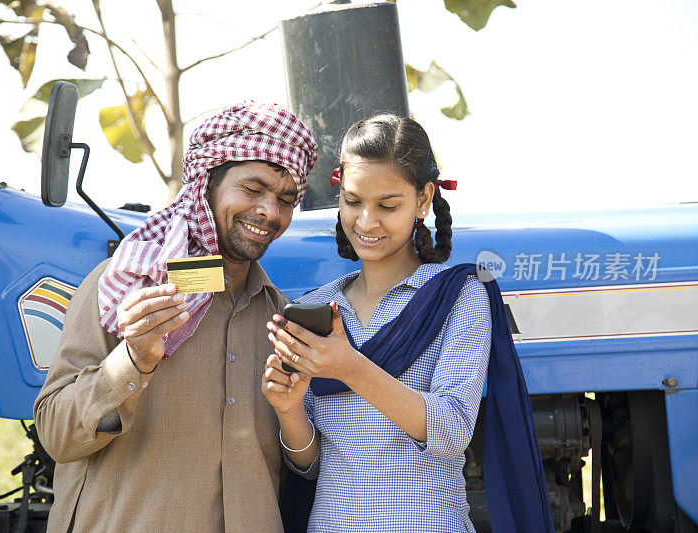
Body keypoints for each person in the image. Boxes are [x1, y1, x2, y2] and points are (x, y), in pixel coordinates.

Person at [33, 101, 317, 532]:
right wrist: (133, 360)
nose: (270, 213)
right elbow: (56, 435)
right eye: (253, 190)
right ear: (206, 186)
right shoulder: (129, 288)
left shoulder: (279, 318)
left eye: (285, 199)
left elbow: (306, 469)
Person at [261, 114, 553, 532]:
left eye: (388, 205)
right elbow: (308, 467)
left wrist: (349, 368)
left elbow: (452, 433)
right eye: (353, 200)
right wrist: (288, 410)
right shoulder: (316, 306)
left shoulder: (458, 296)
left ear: (423, 199)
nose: (366, 221)